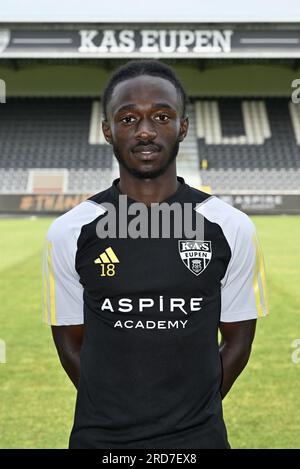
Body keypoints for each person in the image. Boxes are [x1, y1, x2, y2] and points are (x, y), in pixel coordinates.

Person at [42, 60, 269, 449]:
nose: (145, 131)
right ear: (107, 130)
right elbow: (69, 344)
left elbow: (237, 343)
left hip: (200, 441)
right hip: (101, 442)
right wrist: (121, 414)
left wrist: (188, 413)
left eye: (161, 116)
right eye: (128, 118)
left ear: (181, 126)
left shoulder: (230, 226)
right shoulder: (70, 230)